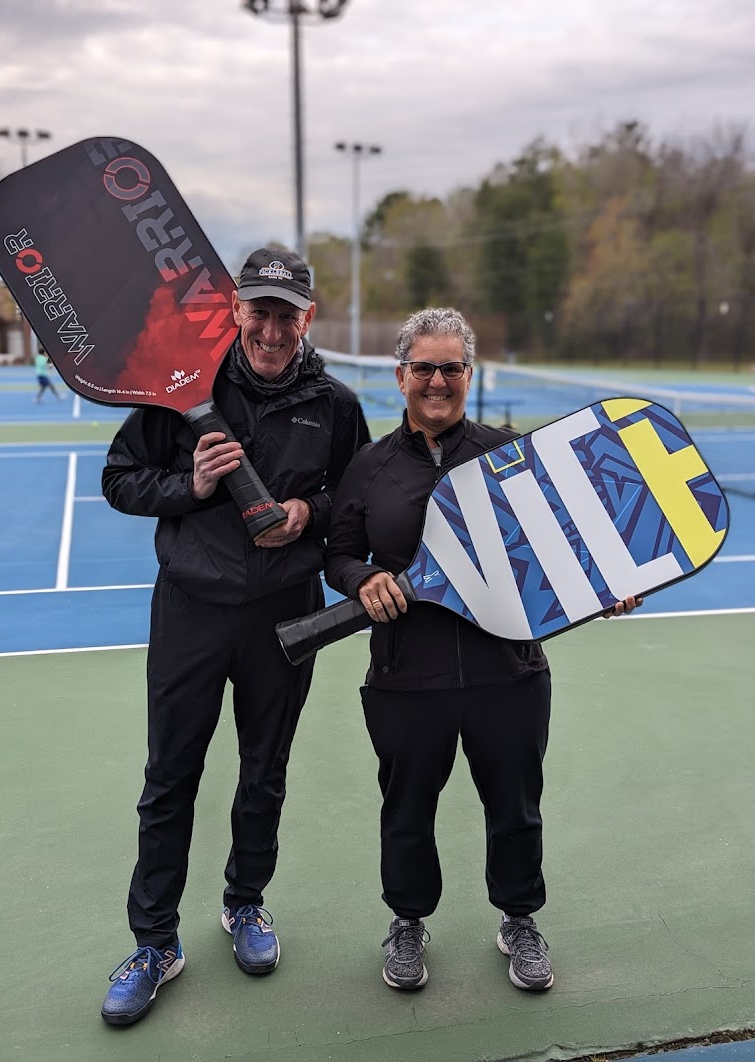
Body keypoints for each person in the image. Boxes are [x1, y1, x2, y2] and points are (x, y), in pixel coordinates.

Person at [324, 308, 640, 994]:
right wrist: (363, 577)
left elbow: (568, 544)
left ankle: (519, 919)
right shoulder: (370, 468)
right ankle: (407, 922)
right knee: (406, 809)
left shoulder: (509, 455)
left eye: (452, 368)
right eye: (424, 368)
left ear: (469, 374)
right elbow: (339, 553)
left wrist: (606, 586)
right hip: (406, 676)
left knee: (516, 807)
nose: (438, 381)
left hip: (510, 673)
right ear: (401, 375)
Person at [99, 247, 370, 1025]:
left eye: (288, 314)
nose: (274, 329)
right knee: (170, 777)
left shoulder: (338, 406)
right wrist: (196, 484)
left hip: (284, 616)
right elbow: (121, 480)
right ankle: (156, 942)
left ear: (306, 318)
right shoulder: (183, 390)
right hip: (189, 609)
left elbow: (352, 510)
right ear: (236, 313)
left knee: (265, 771)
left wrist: (306, 516)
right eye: (260, 311)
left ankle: (245, 903)